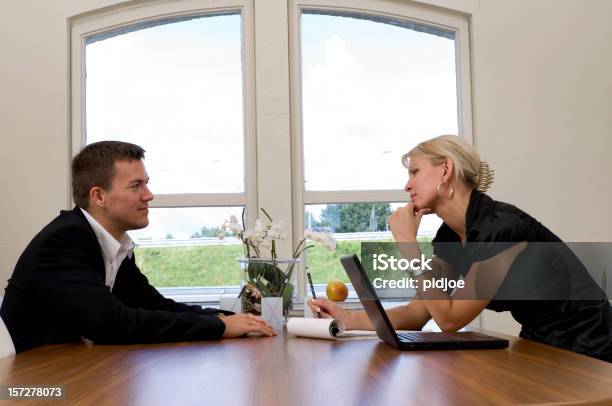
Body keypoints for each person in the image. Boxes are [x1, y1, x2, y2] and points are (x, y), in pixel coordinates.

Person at [309, 135, 612, 362]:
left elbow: (451, 320)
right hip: (540, 344)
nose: (407, 185)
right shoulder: (450, 237)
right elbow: (420, 311)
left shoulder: (501, 227)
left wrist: (408, 247)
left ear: (445, 170)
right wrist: (349, 320)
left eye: (414, 172)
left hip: (590, 347)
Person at [1, 141, 275, 353]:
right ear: (99, 196)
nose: (148, 195)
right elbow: (110, 324)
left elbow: (152, 304)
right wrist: (217, 326)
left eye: (146, 184)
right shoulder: (64, 241)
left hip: (70, 366)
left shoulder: (111, 242)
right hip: (30, 384)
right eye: (136, 186)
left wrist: (228, 318)